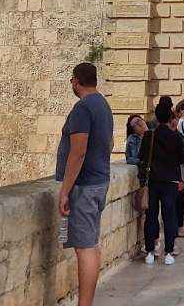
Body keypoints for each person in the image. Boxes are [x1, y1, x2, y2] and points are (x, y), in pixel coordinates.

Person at [55, 62, 114, 306]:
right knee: (90, 244)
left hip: (84, 186)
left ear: (77, 81)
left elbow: (77, 152)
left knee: (85, 247)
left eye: (71, 81)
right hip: (99, 181)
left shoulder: (83, 108)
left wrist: (65, 191)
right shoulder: (103, 104)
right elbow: (109, 145)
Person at [139, 99, 184, 264]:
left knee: (151, 216)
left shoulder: (148, 136)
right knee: (169, 215)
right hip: (171, 181)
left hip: (153, 180)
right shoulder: (176, 137)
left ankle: (150, 252)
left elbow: (142, 157)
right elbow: (182, 159)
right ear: (170, 118)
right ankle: (168, 252)